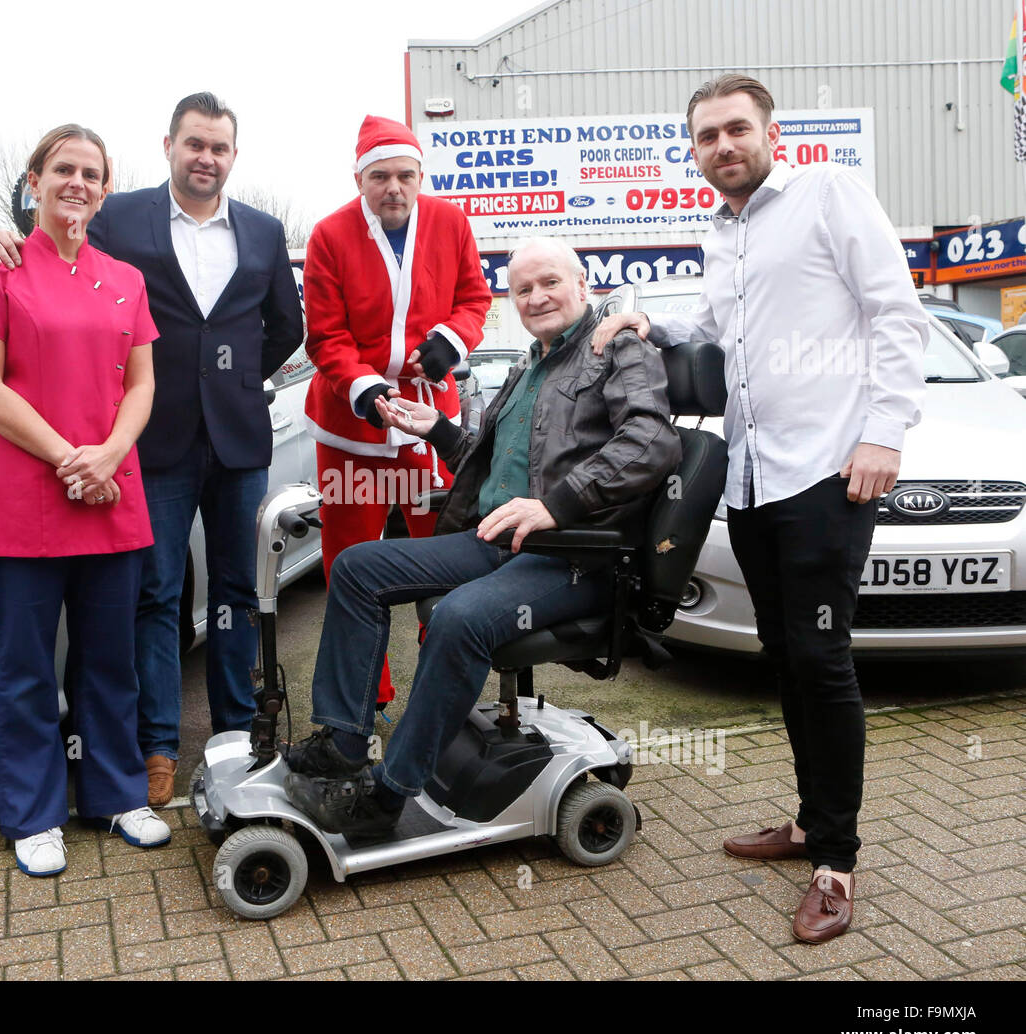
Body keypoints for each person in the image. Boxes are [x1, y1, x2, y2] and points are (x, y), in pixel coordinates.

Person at [593, 74, 927, 944]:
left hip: (826, 472)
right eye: (706, 137)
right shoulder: (722, 233)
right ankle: (812, 821)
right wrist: (642, 324)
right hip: (752, 482)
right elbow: (708, 328)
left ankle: (837, 863)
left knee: (821, 660)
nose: (722, 147)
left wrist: (884, 434)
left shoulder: (828, 194)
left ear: (771, 132)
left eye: (736, 129)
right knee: (785, 657)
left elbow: (897, 312)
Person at [283, 236, 680, 837]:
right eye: (523, 289)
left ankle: (392, 791)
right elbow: (498, 467)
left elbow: (651, 443)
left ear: (582, 284)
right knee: (359, 566)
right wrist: (438, 429)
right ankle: (342, 741)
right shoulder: (527, 366)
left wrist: (556, 505)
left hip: (570, 557)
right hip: (496, 541)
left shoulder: (617, 349)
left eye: (550, 282)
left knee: (459, 618)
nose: (537, 297)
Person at [0, 93, 304, 809]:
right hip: (150, 441)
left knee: (240, 594)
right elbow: (56, 247)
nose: (206, 158)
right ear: (169, 146)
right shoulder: (119, 216)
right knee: (156, 595)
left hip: (239, 439)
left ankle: (238, 735)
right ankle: (156, 746)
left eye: (219, 147)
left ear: (233, 156)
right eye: (194, 145)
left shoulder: (265, 231)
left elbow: (285, 326)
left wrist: (238, 379)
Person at [0, 123, 171, 877]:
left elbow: (141, 383)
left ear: (105, 191)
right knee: (23, 670)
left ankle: (115, 795)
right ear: (34, 183)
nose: (76, 183)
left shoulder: (126, 279)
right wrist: (69, 460)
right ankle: (33, 813)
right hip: (23, 500)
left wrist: (109, 454)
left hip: (112, 494)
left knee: (111, 662)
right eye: (63, 170)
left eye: (91, 173)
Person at [303, 115, 492, 711]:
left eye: (405, 175)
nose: (393, 188)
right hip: (351, 428)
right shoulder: (330, 234)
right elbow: (325, 334)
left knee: (441, 555)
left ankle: (446, 686)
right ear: (360, 178)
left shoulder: (450, 221)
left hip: (428, 422)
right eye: (380, 176)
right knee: (348, 560)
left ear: (419, 176)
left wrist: (452, 340)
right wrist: (360, 386)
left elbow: (475, 299)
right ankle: (365, 692)